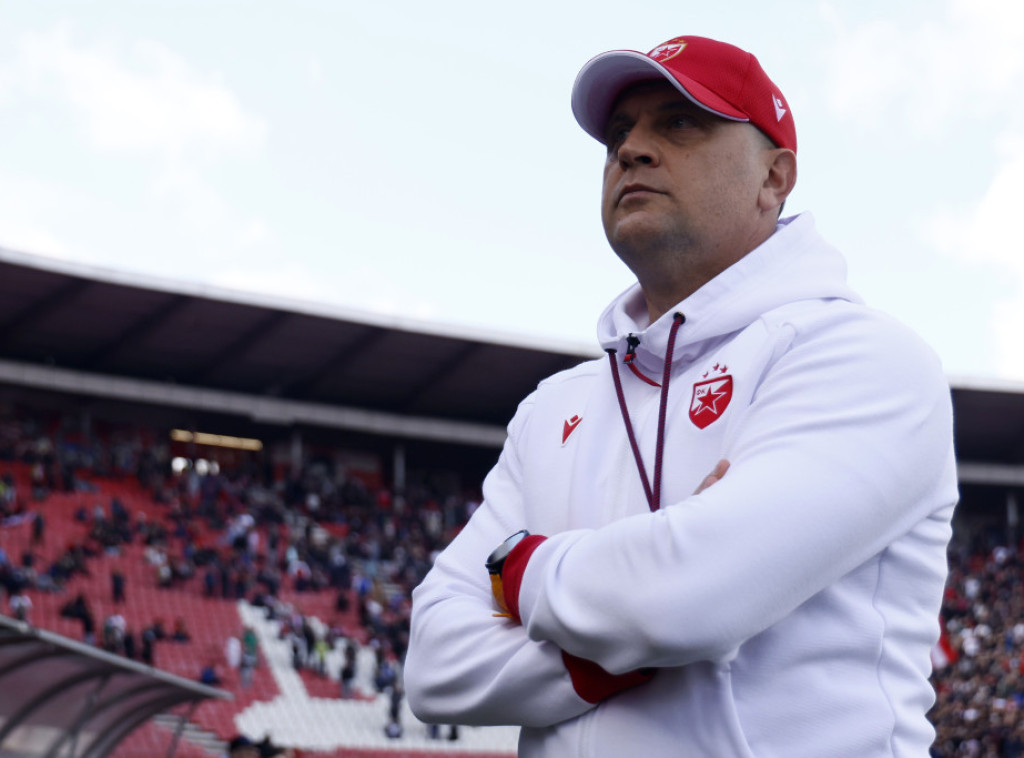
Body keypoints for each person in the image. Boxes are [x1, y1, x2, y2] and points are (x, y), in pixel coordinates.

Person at [404, 35, 958, 757]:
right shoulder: (553, 407)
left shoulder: (862, 357)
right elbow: (434, 665)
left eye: (679, 123)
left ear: (775, 177)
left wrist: (519, 567)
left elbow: (683, 599)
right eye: (618, 134)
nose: (632, 149)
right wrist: (619, 636)